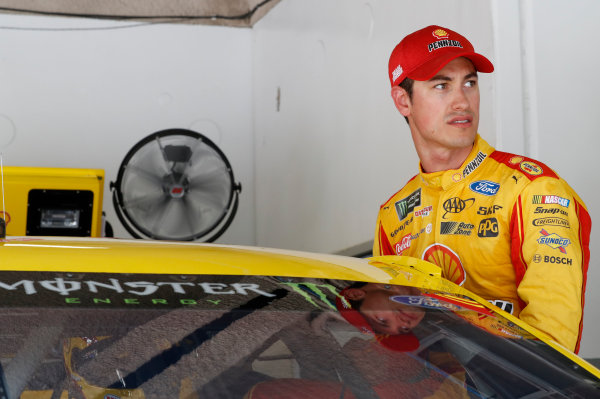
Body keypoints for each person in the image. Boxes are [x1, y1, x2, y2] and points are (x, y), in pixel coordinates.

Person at [373, 25, 591, 353]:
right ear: (403, 100)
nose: (462, 101)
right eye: (442, 85)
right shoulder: (392, 214)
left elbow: (554, 339)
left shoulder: (531, 188)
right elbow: (390, 341)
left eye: (469, 83)